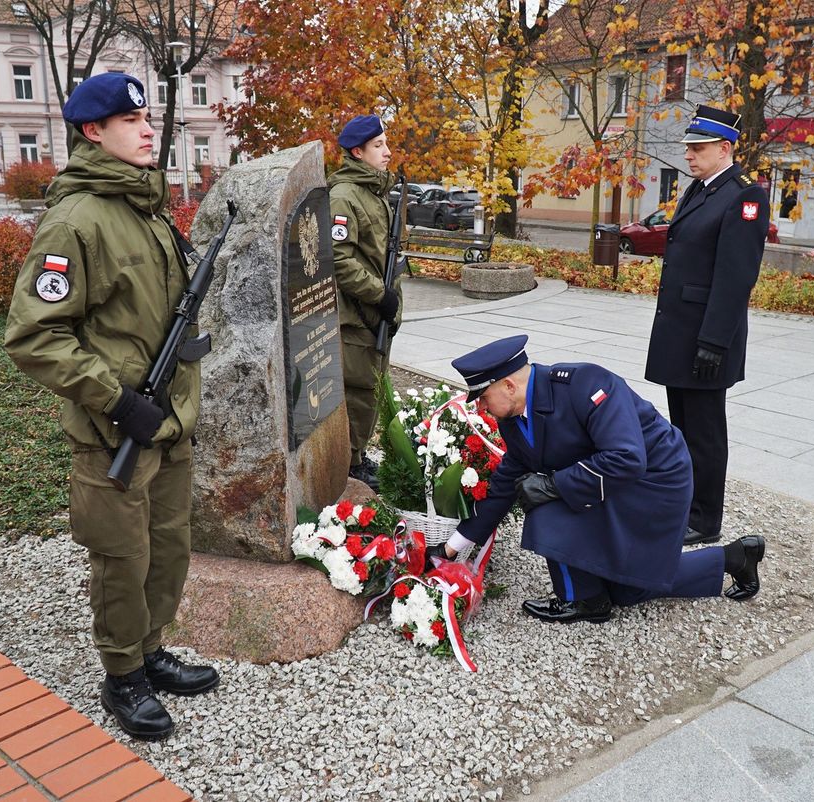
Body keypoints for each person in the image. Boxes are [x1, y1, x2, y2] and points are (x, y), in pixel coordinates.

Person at [4, 73, 218, 741]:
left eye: (147, 117)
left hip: (169, 425)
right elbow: (33, 335)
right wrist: (118, 401)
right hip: (114, 430)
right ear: (93, 132)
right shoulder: (77, 219)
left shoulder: (145, 209)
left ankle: (151, 650)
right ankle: (122, 673)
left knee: (167, 547)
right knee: (122, 557)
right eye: (131, 120)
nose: (148, 128)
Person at [435, 335, 766, 624]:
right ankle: (734, 557)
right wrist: (449, 549)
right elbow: (504, 485)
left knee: (543, 504)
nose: (479, 406)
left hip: (655, 481)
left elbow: (628, 458)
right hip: (611, 479)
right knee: (627, 590)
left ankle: (581, 599)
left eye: (482, 396)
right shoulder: (514, 417)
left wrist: (553, 486)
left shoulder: (584, 384)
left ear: (508, 385)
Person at [645, 105, 770, 547]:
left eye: (698, 148)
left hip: (706, 337)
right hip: (682, 331)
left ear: (725, 148)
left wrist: (714, 342)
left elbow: (736, 277)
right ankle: (686, 504)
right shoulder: (699, 190)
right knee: (682, 427)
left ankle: (705, 518)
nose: (690, 156)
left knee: (705, 432)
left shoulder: (744, 196)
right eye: (689, 148)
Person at [328, 113, 403, 491]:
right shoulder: (344, 196)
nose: (388, 152)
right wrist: (381, 295)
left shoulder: (372, 193)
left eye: (386, 144)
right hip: (357, 314)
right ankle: (350, 463)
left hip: (374, 313)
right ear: (357, 151)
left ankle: (357, 455)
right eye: (379, 146)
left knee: (370, 386)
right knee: (358, 390)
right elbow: (339, 259)